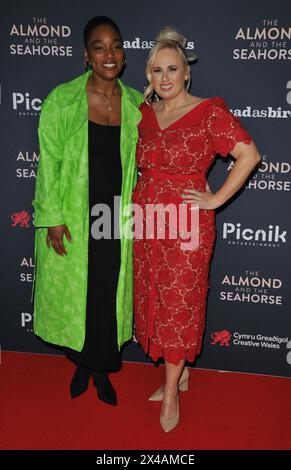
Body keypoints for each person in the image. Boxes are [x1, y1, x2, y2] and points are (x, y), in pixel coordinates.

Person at [133, 27, 261, 431]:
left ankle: (171, 392)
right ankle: (180, 374)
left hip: (187, 224)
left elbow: (248, 154)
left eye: (173, 69)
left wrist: (217, 198)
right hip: (146, 222)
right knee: (153, 299)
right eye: (157, 70)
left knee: (179, 305)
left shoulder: (210, 111)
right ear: (149, 75)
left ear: (187, 73)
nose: (165, 78)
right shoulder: (143, 114)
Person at [32, 16, 143, 406]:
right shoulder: (62, 100)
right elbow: (49, 163)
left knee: (106, 291)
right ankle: (83, 364)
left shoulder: (136, 104)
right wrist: (52, 217)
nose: (108, 54)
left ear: (124, 54)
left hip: (117, 215)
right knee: (80, 293)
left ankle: (100, 368)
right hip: (75, 212)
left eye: (115, 45)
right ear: (86, 55)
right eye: (99, 46)